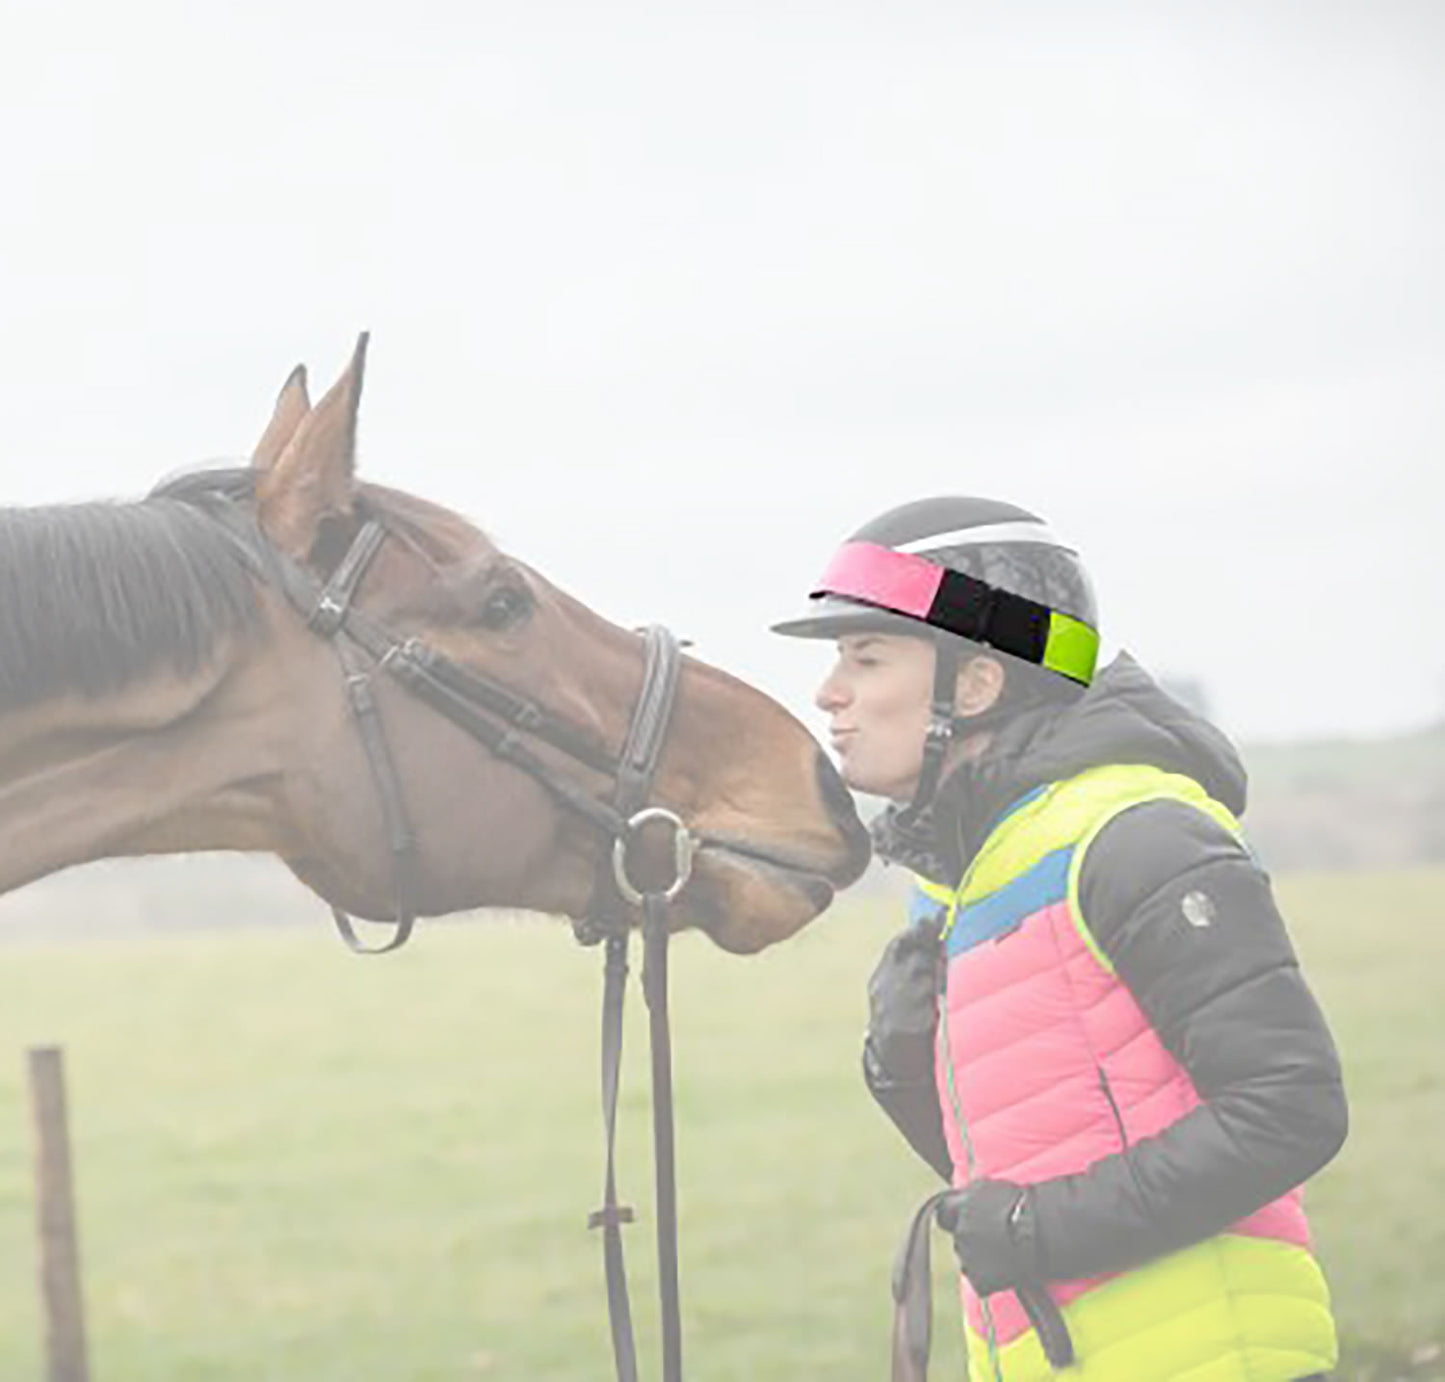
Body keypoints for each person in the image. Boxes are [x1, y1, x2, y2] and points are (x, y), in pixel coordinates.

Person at [771, 497, 1347, 1381]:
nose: (828, 692)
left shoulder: (1136, 835)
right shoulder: (960, 880)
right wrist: (900, 1068)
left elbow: (1288, 1111)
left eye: (866, 656)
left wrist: (1038, 1230)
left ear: (974, 685)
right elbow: (1027, 1156)